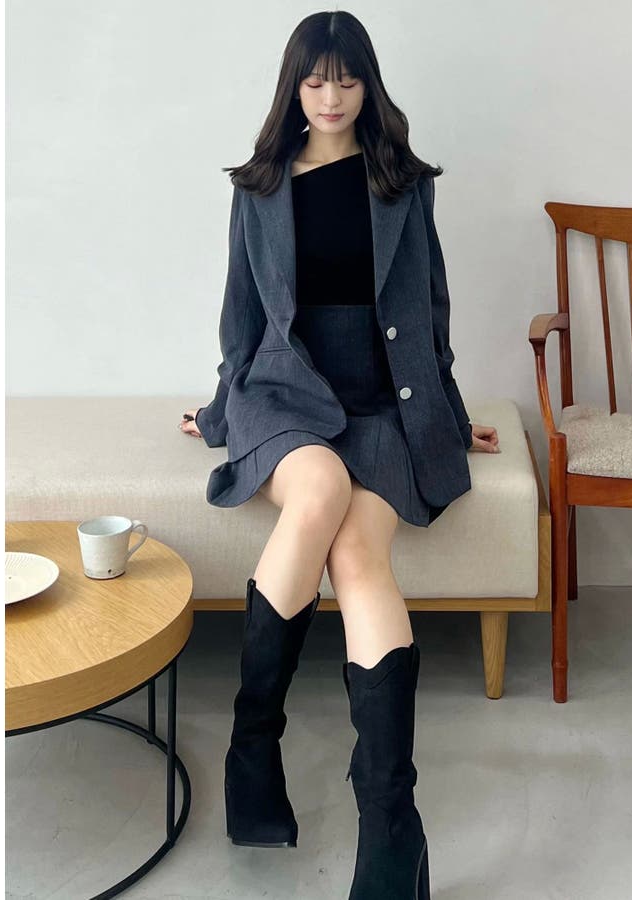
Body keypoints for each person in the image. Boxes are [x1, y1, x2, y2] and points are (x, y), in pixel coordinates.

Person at [179, 11, 499, 899]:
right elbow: (241, 317)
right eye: (315, 80)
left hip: (383, 399)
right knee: (317, 489)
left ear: (368, 85)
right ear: (294, 87)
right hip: (284, 389)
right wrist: (221, 411)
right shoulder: (258, 187)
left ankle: (391, 824)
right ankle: (255, 744)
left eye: (347, 79)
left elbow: (430, 311)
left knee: (357, 550)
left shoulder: (404, 183)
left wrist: (447, 415)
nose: (331, 97)